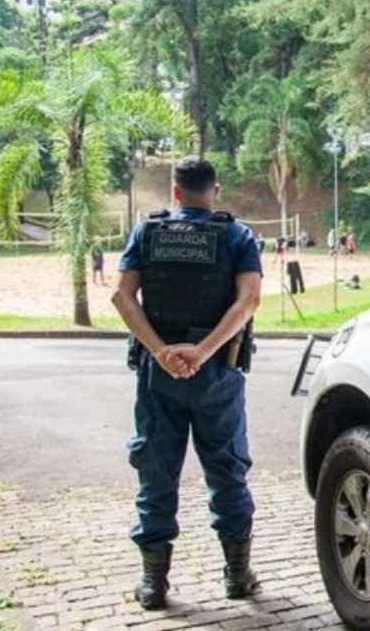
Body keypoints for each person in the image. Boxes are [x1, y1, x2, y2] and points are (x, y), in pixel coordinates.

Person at [110, 157, 262, 611]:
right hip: (217, 373)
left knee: (156, 474)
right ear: (213, 190)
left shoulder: (146, 233)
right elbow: (249, 299)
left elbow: (122, 295)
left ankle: (154, 585)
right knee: (227, 473)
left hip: (159, 376)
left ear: (175, 193)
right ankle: (237, 577)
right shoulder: (237, 236)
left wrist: (160, 351)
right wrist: (205, 351)